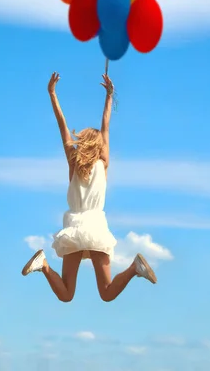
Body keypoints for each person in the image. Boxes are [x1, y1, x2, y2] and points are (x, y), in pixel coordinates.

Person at [21, 71, 157, 302]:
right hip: (96, 225)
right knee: (106, 293)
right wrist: (109, 96)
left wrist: (52, 94)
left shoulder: (74, 162)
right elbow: (106, 124)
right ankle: (135, 268)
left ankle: (43, 265)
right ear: (99, 145)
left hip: (74, 226)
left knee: (66, 294)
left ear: (82, 142)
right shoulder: (103, 163)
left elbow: (62, 125)